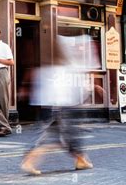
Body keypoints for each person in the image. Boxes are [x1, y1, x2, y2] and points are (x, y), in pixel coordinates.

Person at [21, 36, 93, 175]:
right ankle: (29, 161)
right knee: (65, 135)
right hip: (60, 105)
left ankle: (81, 159)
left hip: (47, 103)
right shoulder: (65, 66)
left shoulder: (46, 65)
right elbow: (73, 86)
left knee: (54, 135)